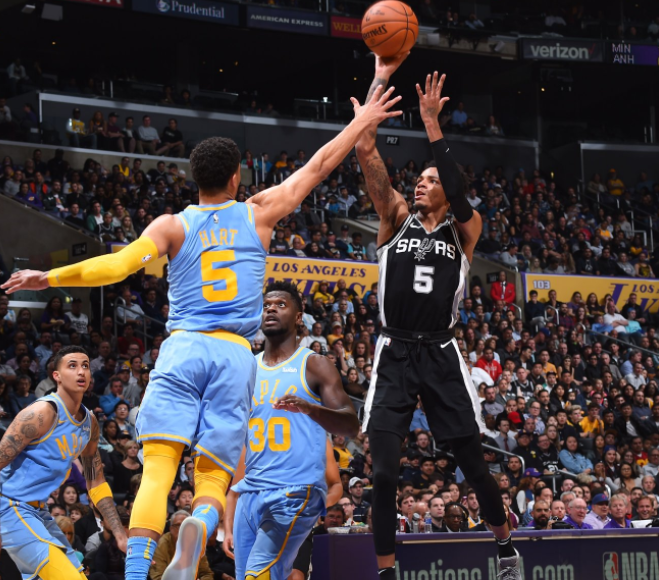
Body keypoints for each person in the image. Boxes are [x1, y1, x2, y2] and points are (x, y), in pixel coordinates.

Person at [0, 90, 400, 580]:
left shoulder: (172, 225)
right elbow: (317, 167)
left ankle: (137, 573)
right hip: (235, 354)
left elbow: (117, 266)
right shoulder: (258, 213)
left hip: (185, 346)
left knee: (158, 468)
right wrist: (359, 123)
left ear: (195, 178)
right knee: (212, 473)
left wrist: (49, 277)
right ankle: (201, 524)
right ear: (236, 177)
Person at [355, 54, 519, 580]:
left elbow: (456, 184)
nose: (421, 184)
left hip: (442, 352)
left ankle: (505, 546)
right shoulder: (395, 216)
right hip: (395, 350)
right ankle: (386, 571)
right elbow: (365, 150)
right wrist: (379, 85)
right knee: (383, 474)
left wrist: (431, 123)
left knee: (473, 465)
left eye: (431, 179)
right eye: (419, 179)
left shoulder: (466, 229)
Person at [224, 282, 359, 580]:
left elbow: (351, 424)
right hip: (251, 492)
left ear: (299, 317)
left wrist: (311, 409)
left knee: (259, 573)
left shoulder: (314, 364)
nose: (271, 309)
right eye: (266, 305)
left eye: (281, 305)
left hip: (294, 491)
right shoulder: (246, 368)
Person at [0, 346, 127, 580]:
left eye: (85, 366)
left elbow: (96, 482)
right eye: (72, 365)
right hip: (10, 507)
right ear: (56, 376)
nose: (81, 371)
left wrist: (119, 533)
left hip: (39, 511)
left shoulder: (90, 423)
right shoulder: (42, 412)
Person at [149, 511, 214, 580]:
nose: (182, 529)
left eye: (185, 526)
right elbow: (158, 577)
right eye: (178, 525)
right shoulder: (161, 544)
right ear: (171, 528)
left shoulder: (195, 544)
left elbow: (207, 574)